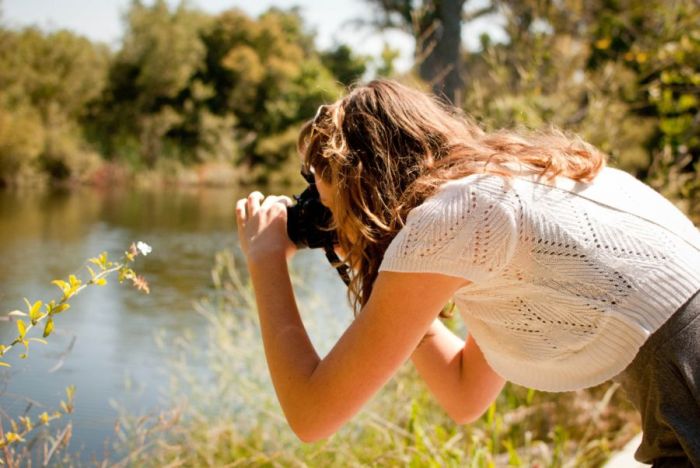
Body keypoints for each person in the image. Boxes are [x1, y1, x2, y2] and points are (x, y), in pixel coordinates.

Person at [235, 79, 700, 466]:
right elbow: (465, 392)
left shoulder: (457, 216)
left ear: (359, 182)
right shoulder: (500, 191)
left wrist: (265, 260)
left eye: (323, 192)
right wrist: (366, 260)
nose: (323, 213)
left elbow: (312, 415)